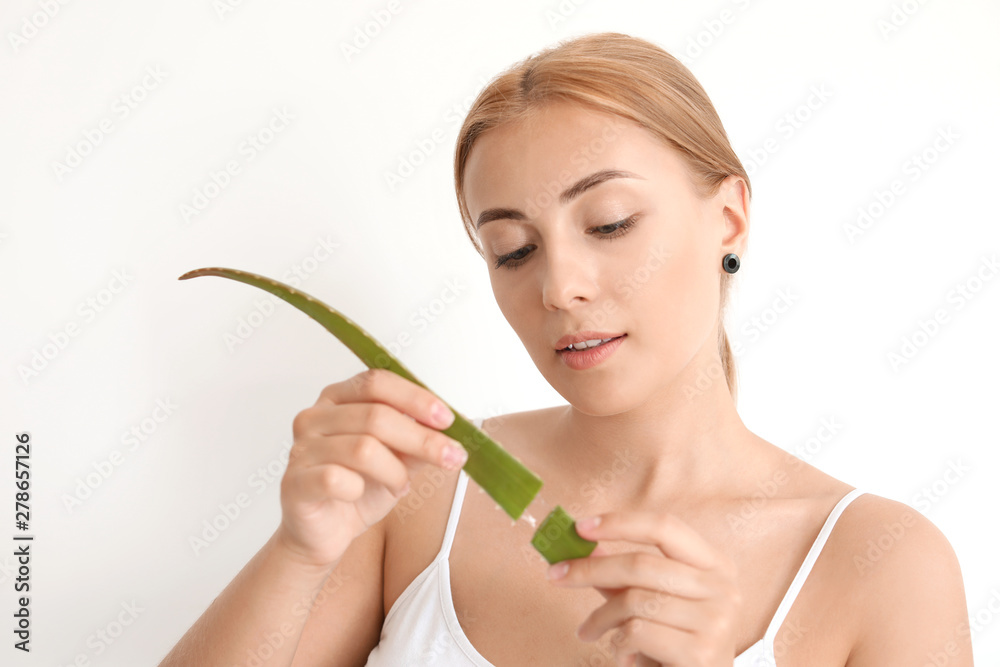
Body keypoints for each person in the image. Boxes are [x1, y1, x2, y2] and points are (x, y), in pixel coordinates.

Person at [159, 32, 973, 666]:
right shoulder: (419, 493)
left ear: (728, 219)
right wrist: (300, 550)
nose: (558, 286)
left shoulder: (883, 564)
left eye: (611, 223)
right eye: (512, 249)